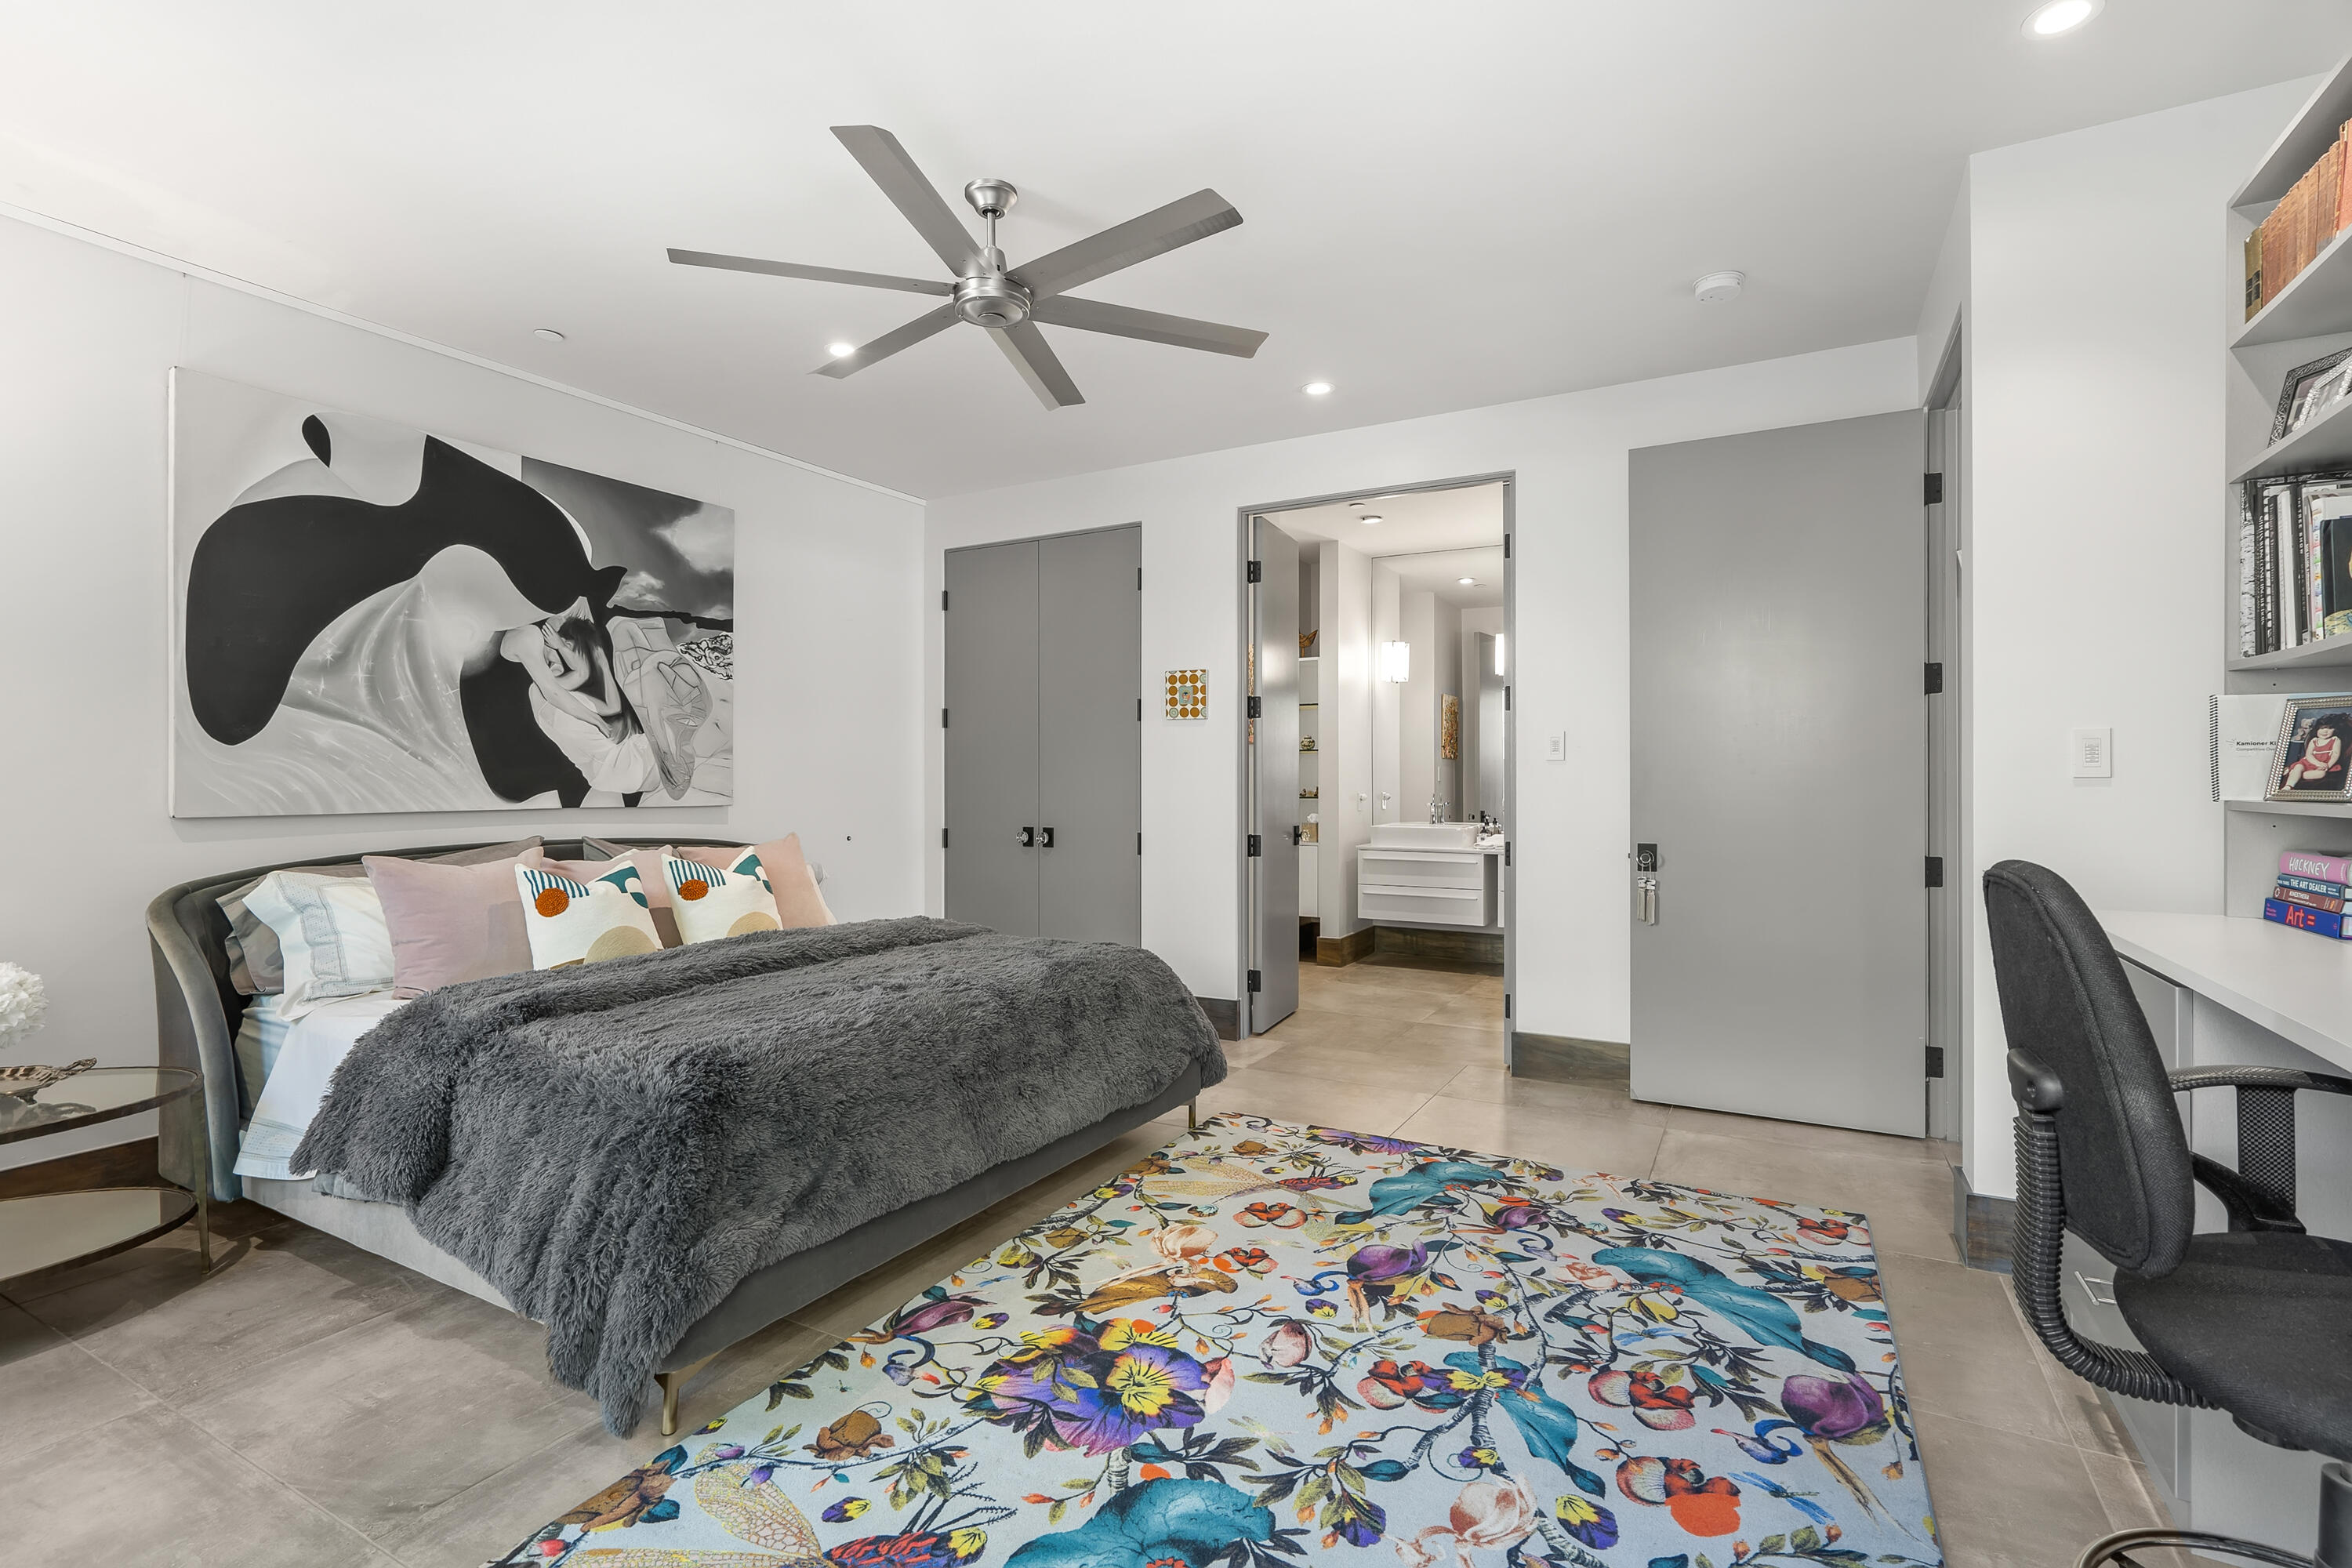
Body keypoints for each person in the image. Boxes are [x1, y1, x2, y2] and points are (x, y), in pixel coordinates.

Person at [2281, 711, 2352, 793]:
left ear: (2335, 730)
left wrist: (2327, 766)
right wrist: (2317, 763)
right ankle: (2289, 786)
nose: (2325, 731)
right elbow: (2309, 755)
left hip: (2324, 765)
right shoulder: (2314, 741)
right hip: (2310, 763)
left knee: (2322, 774)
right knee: (2299, 767)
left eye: (2330, 728)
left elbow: (2335, 755)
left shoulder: (2335, 740)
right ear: (2317, 730)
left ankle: (2295, 774)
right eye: (2322, 728)